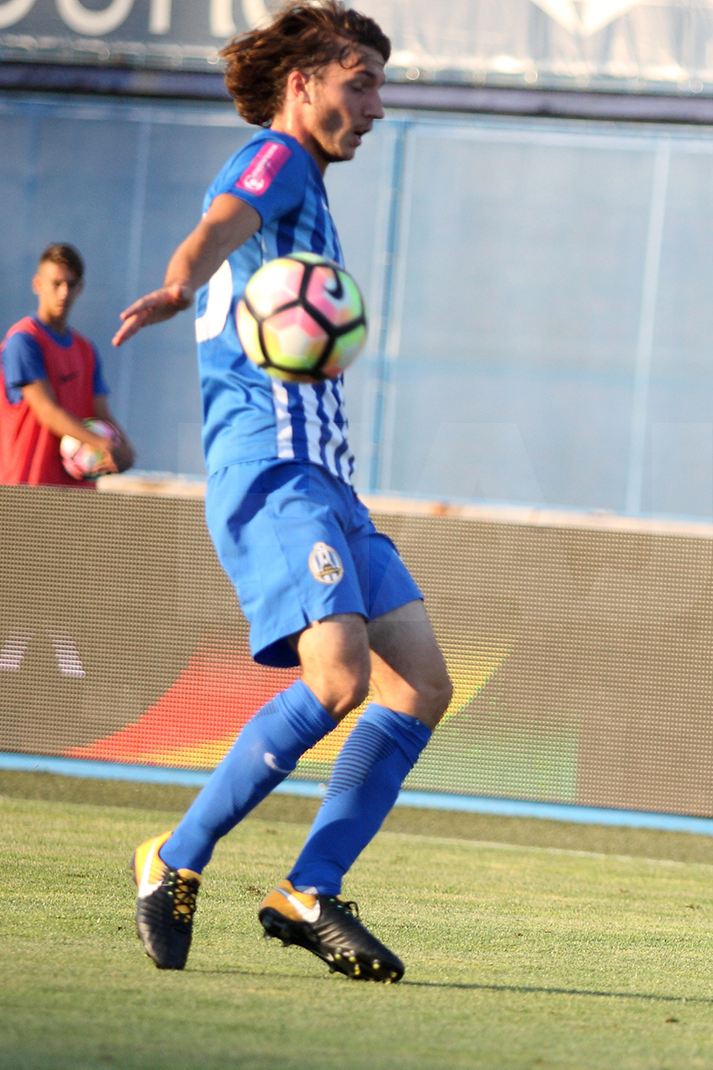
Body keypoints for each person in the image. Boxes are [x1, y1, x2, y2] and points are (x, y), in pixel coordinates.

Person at [111, 1, 452, 983]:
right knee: (340, 674)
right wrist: (181, 279)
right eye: (361, 82)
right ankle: (172, 858)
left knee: (421, 682)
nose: (376, 104)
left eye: (378, 84)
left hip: (328, 479)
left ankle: (308, 890)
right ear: (303, 84)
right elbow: (218, 224)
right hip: (270, 470)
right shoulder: (279, 159)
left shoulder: (307, 186)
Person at [0, 243, 135, 485]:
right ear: (37, 284)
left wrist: (125, 451)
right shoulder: (23, 340)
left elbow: (101, 412)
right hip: (26, 488)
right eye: (56, 284)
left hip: (75, 496)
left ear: (80, 288)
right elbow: (47, 411)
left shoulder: (86, 350)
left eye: (70, 285)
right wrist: (103, 444)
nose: (63, 293)